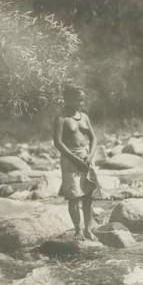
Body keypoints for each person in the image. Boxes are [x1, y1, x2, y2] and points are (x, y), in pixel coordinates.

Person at [53, 84, 100, 241]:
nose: (81, 103)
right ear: (68, 98)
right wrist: (76, 160)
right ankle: (78, 230)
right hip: (70, 159)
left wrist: (90, 156)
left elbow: (93, 138)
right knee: (74, 196)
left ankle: (88, 229)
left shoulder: (84, 117)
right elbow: (58, 143)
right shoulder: (61, 118)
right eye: (78, 99)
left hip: (86, 158)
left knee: (88, 195)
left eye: (82, 100)